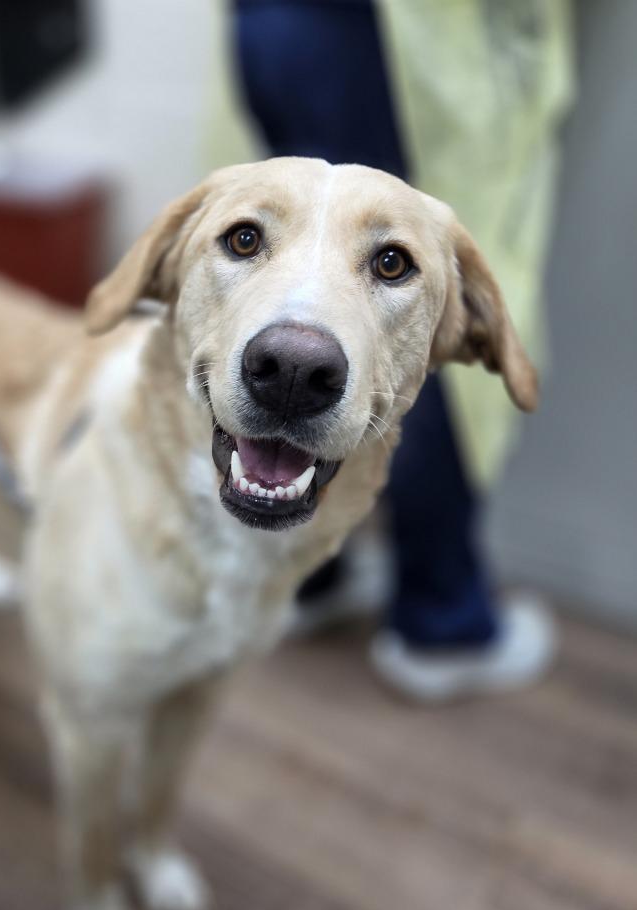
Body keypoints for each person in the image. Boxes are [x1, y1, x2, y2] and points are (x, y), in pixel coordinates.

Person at [232, 0, 563, 701]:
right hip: (394, 33)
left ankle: (311, 577)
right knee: (406, 322)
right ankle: (440, 621)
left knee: (324, 276)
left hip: (270, 22)